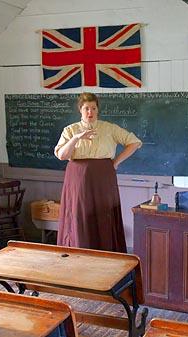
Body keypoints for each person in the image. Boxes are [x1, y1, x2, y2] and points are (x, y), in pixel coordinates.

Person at [54, 92, 142, 252]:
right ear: (80, 110)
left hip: (103, 176)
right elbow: (62, 155)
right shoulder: (70, 130)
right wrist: (76, 138)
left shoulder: (108, 128)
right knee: (79, 214)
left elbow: (134, 142)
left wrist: (116, 162)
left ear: (97, 110)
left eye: (93, 108)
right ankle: (79, 251)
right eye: (86, 108)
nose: (90, 112)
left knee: (103, 213)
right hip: (78, 178)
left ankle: (106, 252)